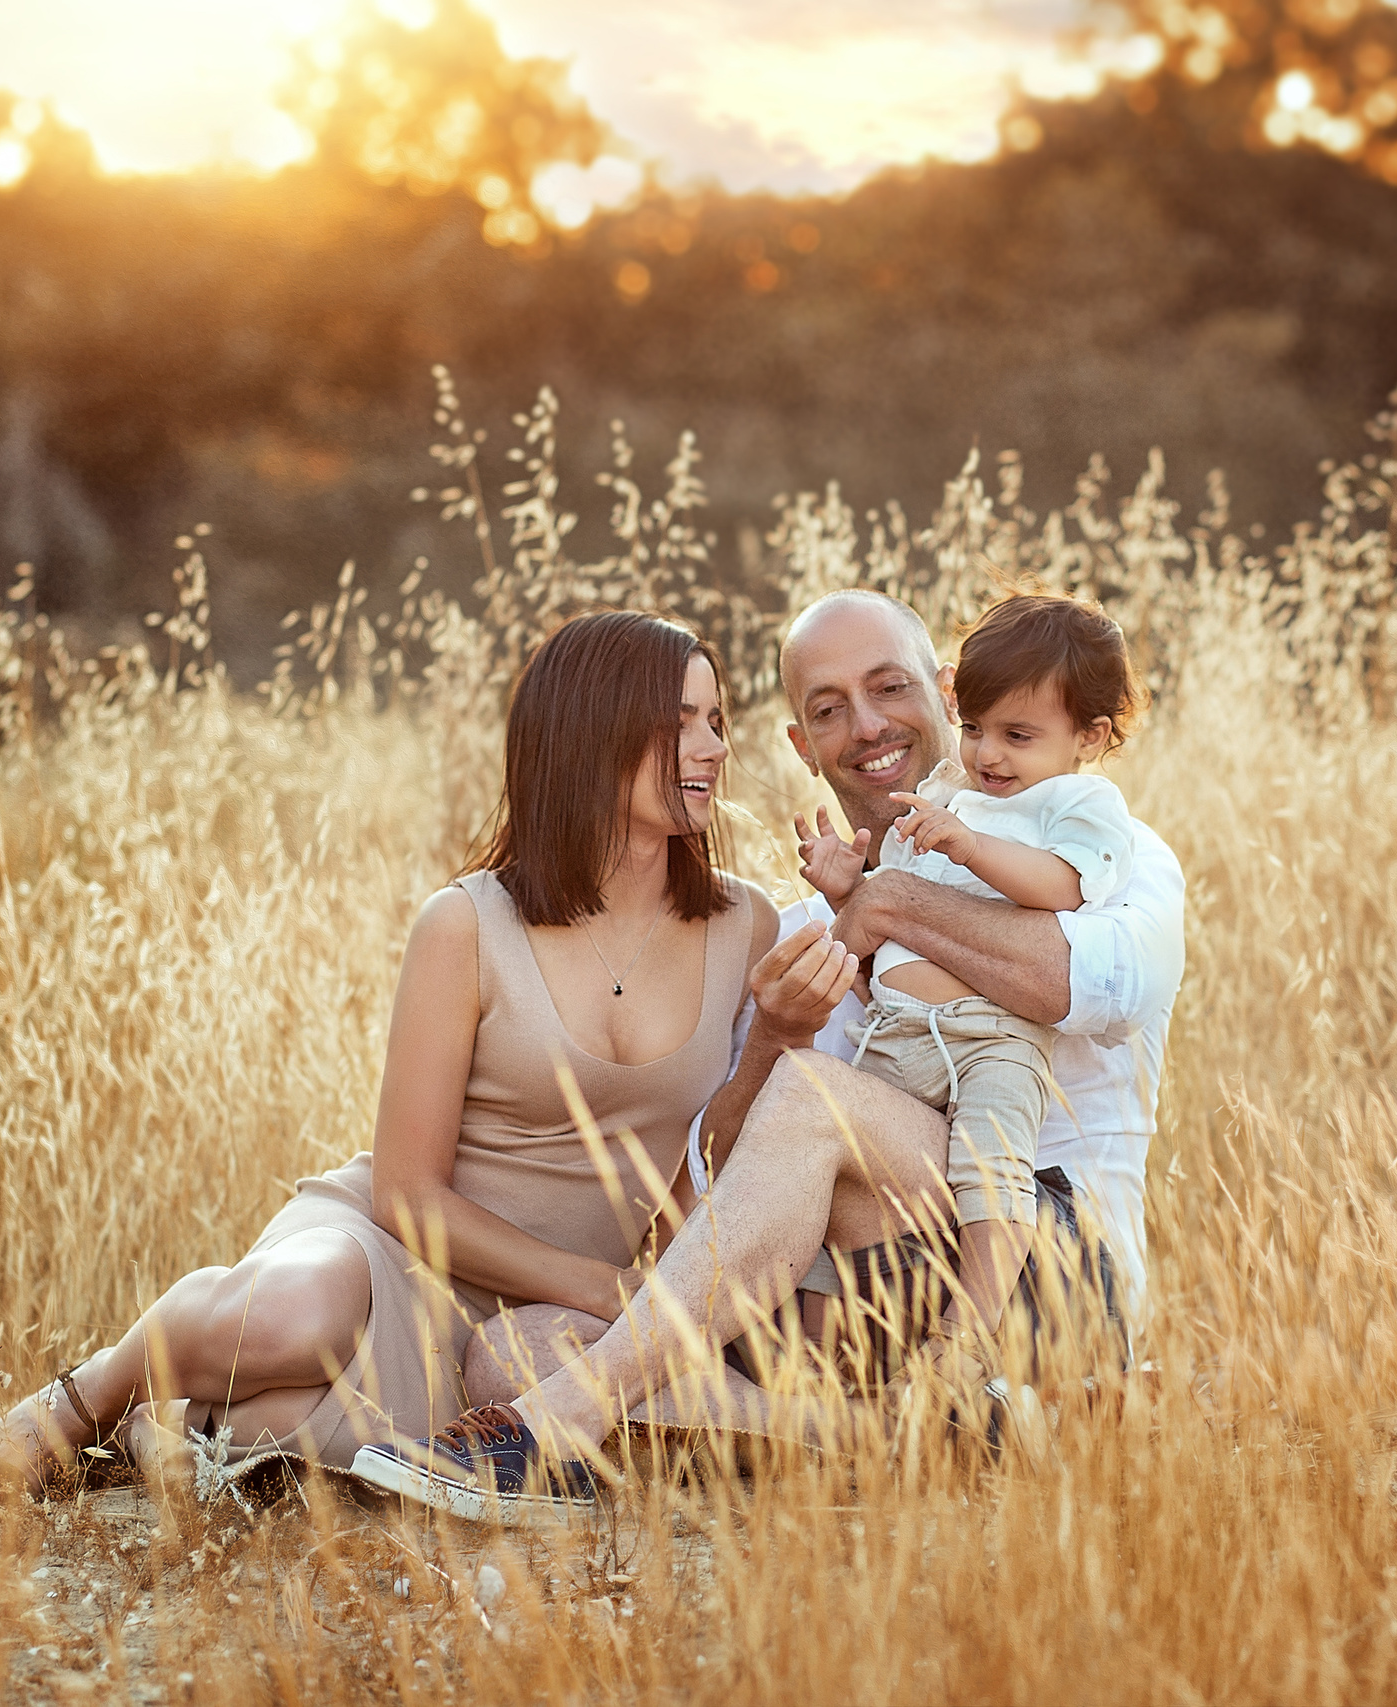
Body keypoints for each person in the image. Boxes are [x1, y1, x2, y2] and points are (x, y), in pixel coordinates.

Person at [352, 587, 1186, 1522]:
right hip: (855, 1316)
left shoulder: (1101, 847)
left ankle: (553, 1427)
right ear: (801, 743)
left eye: (889, 687)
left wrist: (890, 906)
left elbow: (1100, 985)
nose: (866, 724)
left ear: (941, 695)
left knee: (816, 1098)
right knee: (514, 1352)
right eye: (828, 708)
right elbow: (718, 1184)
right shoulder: (793, 931)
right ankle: (903, 1436)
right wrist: (778, 1035)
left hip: (1043, 1276)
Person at [0, 609, 816, 1499]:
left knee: (281, 1436)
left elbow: (717, 1152)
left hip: (550, 1318)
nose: (711, 746)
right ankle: (86, 1393)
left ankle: (162, 1426)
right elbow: (406, 1191)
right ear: (592, 731)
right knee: (297, 1317)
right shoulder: (467, 923)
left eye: (717, 721)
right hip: (394, 1252)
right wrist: (602, 1283)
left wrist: (638, 1279)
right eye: (679, 722)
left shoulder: (743, 924)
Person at [796, 593, 1144, 1372]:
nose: (990, 754)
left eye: (1018, 735)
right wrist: (845, 894)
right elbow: (883, 940)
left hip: (992, 1042)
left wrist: (968, 845)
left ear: (1088, 737)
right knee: (830, 1166)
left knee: (992, 1169)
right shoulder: (959, 793)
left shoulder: (1078, 804)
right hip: (900, 1030)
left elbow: (1062, 888)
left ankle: (967, 1334)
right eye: (978, 728)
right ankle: (814, 1357)